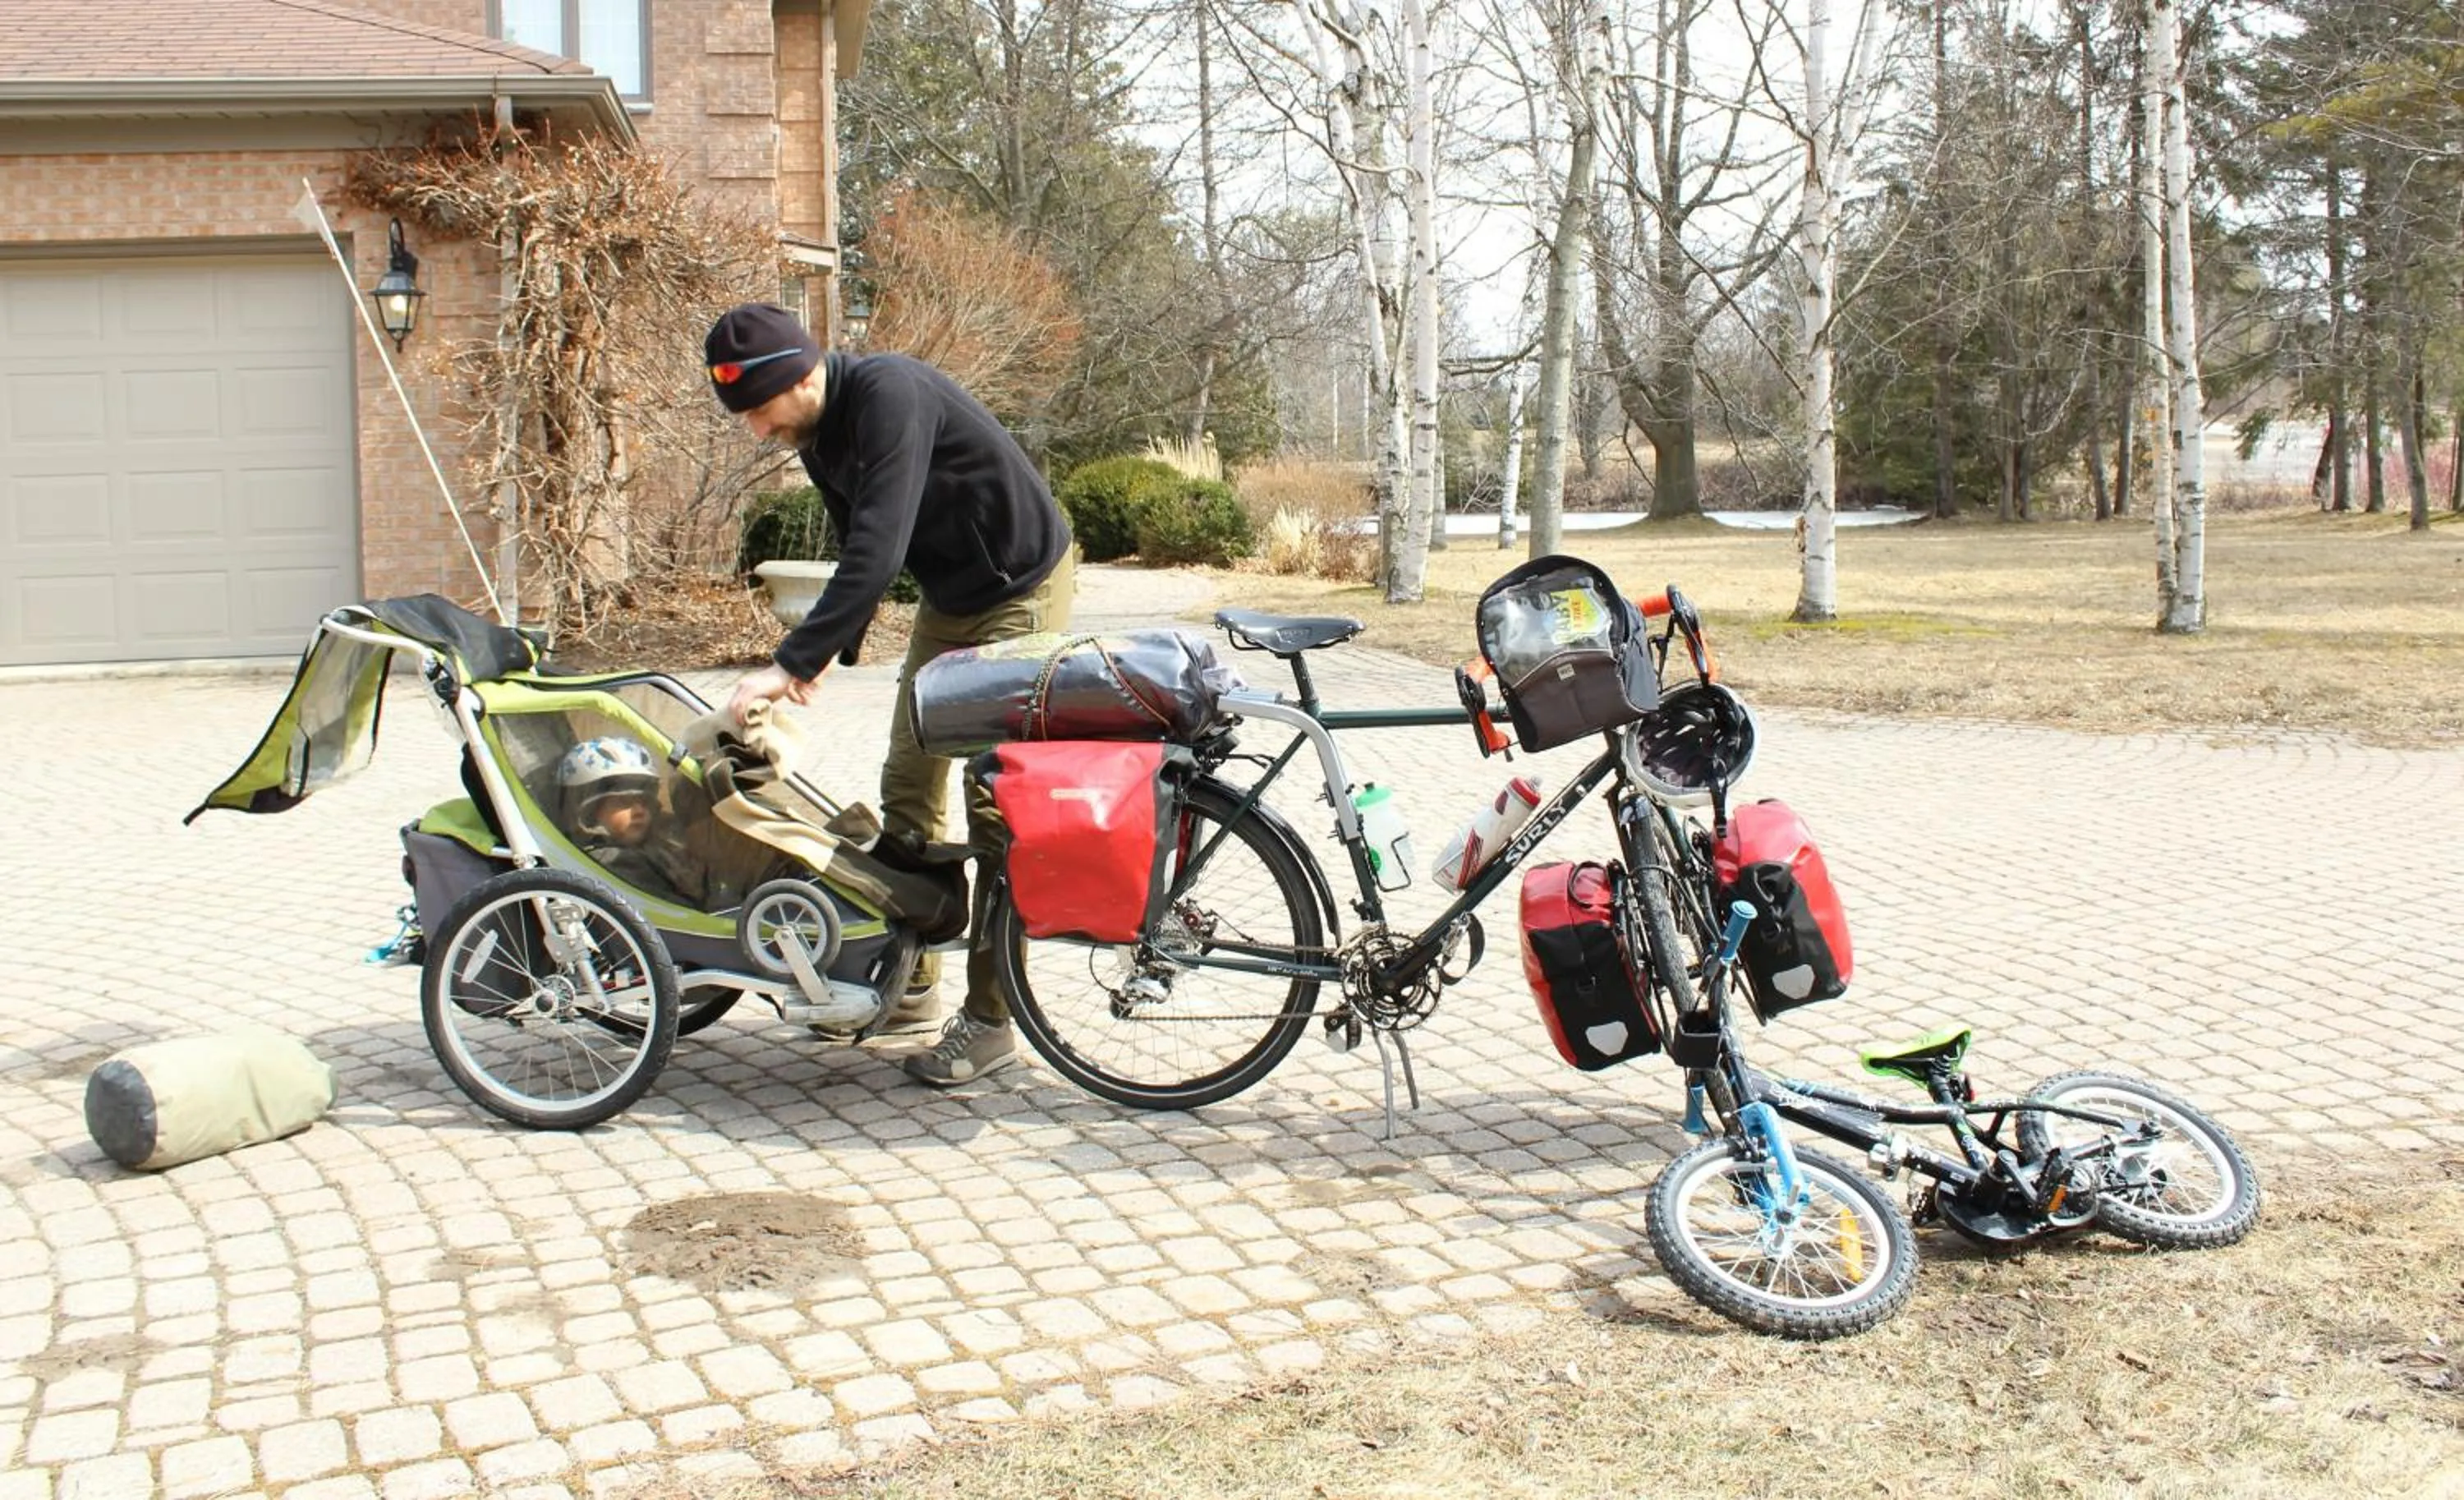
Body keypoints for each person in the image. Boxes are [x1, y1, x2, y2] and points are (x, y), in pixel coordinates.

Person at [708, 302, 1076, 1086]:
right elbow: (857, 540)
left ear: (800, 377)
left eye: (760, 410)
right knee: (908, 781)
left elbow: (880, 546)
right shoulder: (816, 433)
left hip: (1020, 588)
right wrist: (827, 653)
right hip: (951, 600)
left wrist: (787, 663)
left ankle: (991, 1020)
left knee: (993, 803)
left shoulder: (888, 396)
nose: (758, 431)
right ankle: (912, 981)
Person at [559, 737, 706, 909]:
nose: (639, 810)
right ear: (590, 813)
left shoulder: (654, 845)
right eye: (624, 801)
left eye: (644, 801)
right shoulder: (611, 863)